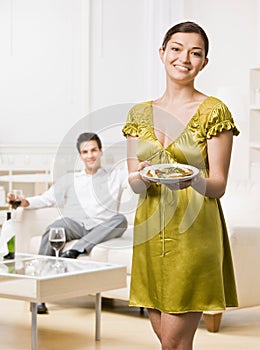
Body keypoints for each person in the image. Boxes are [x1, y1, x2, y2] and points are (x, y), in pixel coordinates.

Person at [122, 21, 239, 350]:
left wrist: (194, 180)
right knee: (168, 342)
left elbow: (218, 186)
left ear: (204, 62)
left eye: (195, 53)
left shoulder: (213, 111)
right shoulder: (138, 114)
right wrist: (140, 176)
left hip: (194, 236)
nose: (184, 58)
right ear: (162, 53)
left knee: (174, 342)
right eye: (176, 49)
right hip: (149, 236)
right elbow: (134, 183)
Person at [7, 132, 128, 314]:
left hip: (100, 227)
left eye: (94, 150)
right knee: (55, 227)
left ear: (101, 151)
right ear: (80, 156)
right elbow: (45, 199)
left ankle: (74, 250)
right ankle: (38, 295)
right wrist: (22, 201)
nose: (90, 155)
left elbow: (136, 179)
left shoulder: (115, 176)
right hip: (75, 224)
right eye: (85, 152)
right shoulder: (70, 179)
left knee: (121, 220)